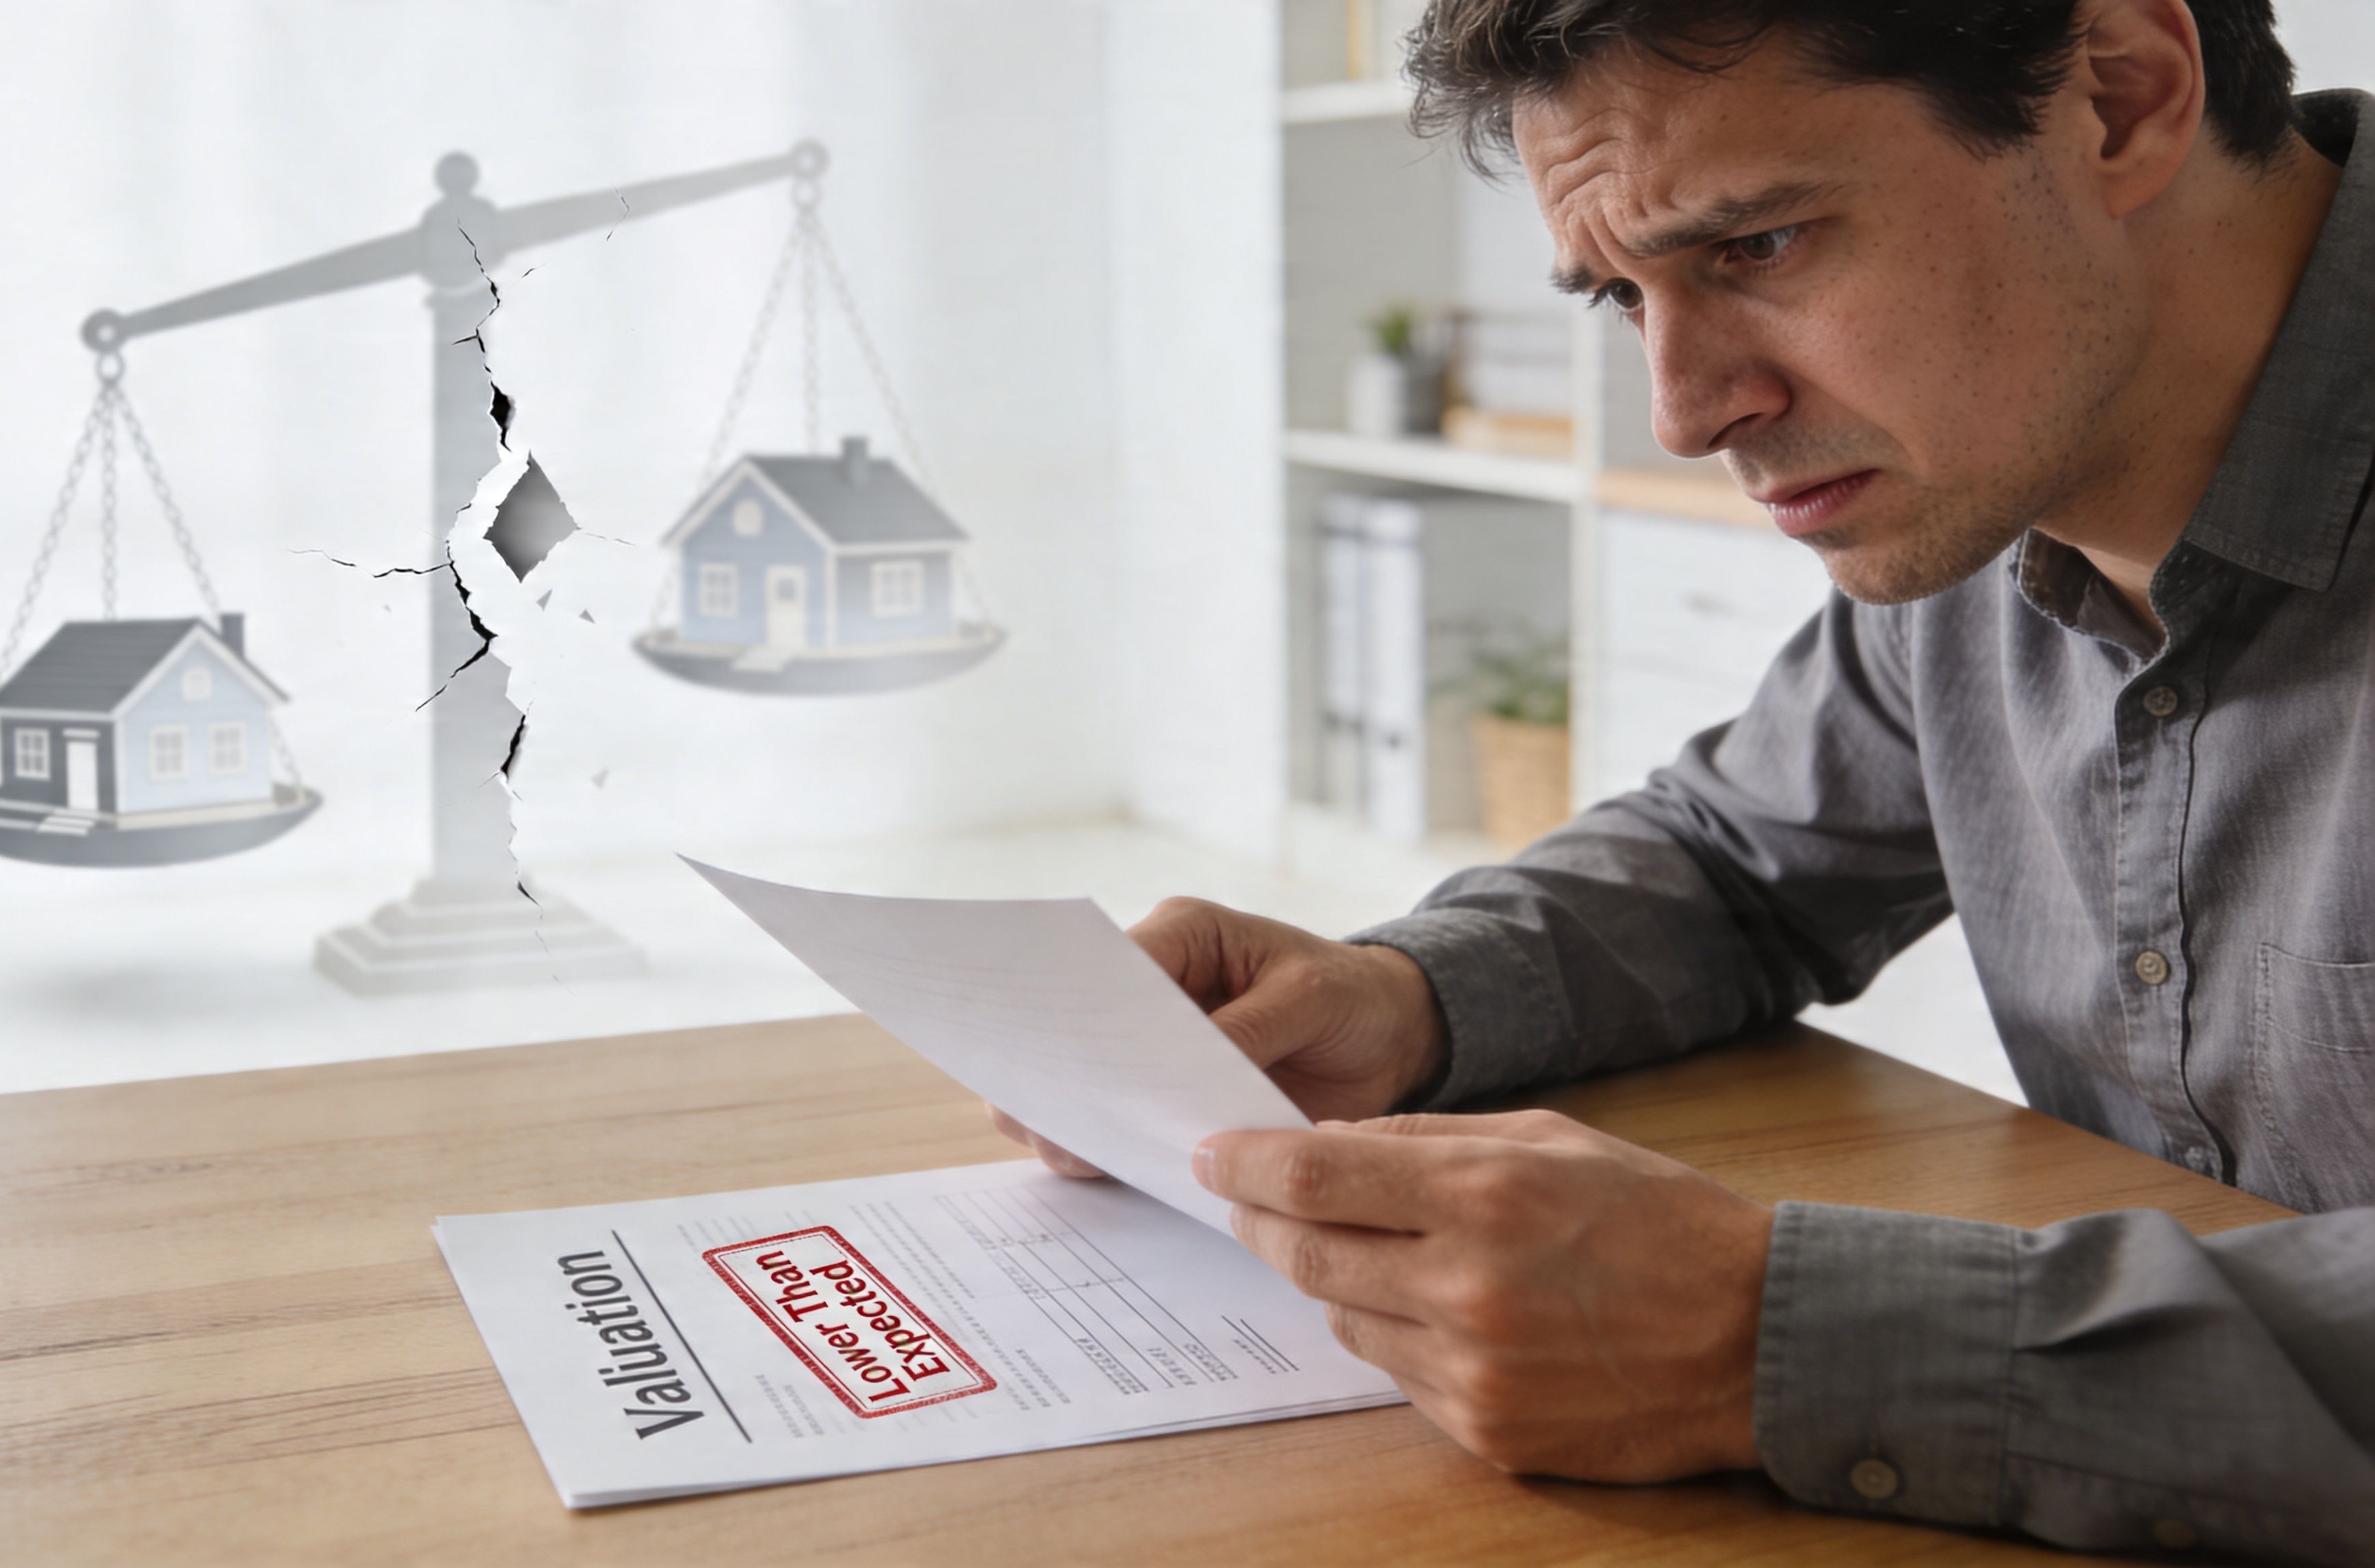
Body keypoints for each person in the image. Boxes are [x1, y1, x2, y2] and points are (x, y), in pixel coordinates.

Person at [997, 0, 2373, 1558]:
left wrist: (1765, 1343)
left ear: (2116, 93)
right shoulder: (1988, 484)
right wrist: (1399, 995)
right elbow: (1734, 860)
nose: (1684, 410)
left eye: (1760, 248)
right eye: (1618, 298)